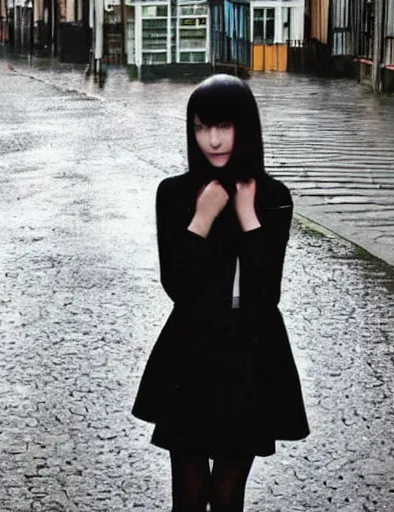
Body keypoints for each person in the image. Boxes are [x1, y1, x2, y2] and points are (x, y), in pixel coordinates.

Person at [131, 74, 310, 512]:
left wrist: (248, 218)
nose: (212, 140)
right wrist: (202, 219)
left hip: (252, 349)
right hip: (191, 346)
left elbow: (266, 293)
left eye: (224, 126)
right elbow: (177, 284)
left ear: (245, 127)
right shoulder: (174, 193)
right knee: (189, 493)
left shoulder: (272, 197)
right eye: (201, 127)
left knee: (228, 493)